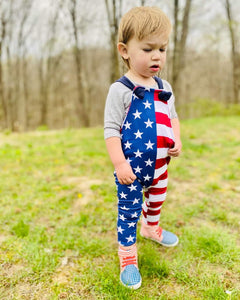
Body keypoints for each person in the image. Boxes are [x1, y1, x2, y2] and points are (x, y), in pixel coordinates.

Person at [104, 6, 182, 289]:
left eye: (162, 48)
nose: (157, 56)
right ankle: (128, 257)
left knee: (156, 202)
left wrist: (177, 139)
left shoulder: (165, 86)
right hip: (131, 170)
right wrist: (120, 164)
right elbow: (111, 130)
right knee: (129, 210)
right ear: (125, 50)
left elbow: (172, 117)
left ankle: (151, 228)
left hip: (161, 167)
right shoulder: (121, 89)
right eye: (148, 49)